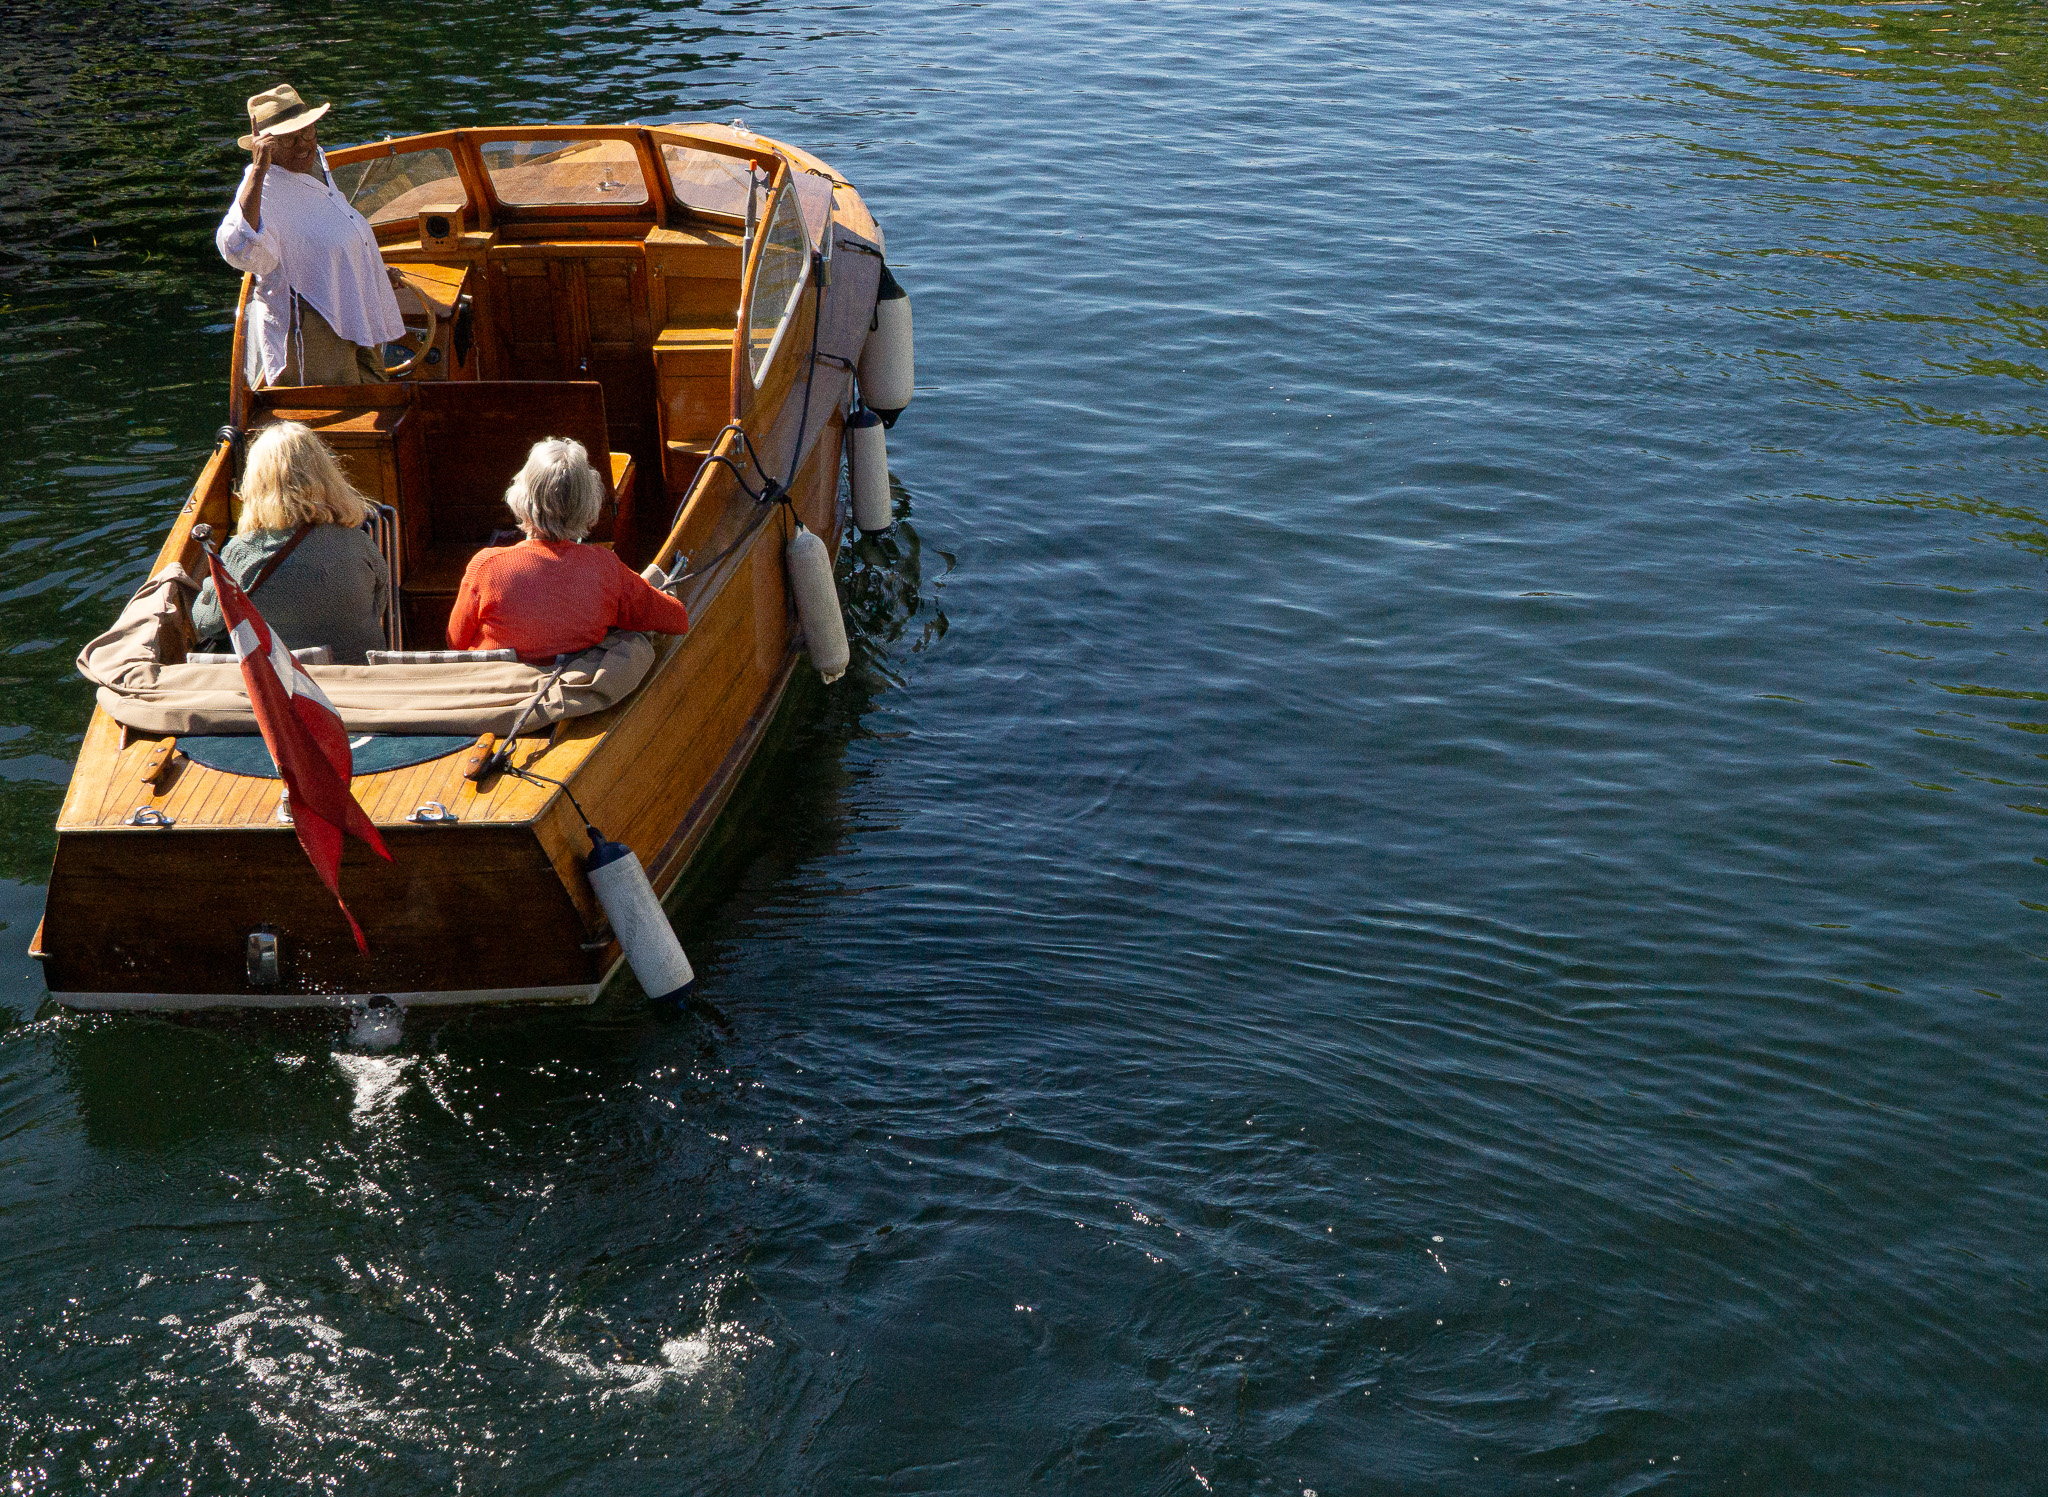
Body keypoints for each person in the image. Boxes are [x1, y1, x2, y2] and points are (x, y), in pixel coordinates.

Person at [215, 84, 407, 388]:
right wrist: (258, 170)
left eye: (308, 131)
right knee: (337, 414)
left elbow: (317, 237)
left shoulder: (315, 161)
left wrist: (370, 271)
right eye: (289, 138)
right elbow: (238, 247)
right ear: (265, 145)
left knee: (374, 393)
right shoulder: (261, 187)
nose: (302, 143)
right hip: (311, 323)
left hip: (348, 304)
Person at [447, 439, 690, 662]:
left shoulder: (486, 566)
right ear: (588, 503)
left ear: (521, 495)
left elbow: (456, 643)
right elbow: (677, 619)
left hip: (499, 696)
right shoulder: (605, 568)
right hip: (570, 696)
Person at [191, 423, 390, 664]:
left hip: (287, 691)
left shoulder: (242, 552)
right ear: (327, 476)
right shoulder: (359, 542)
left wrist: (208, 585)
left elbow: (206, 623)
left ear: (257, 484)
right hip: (359, 683)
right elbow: (378, 605)